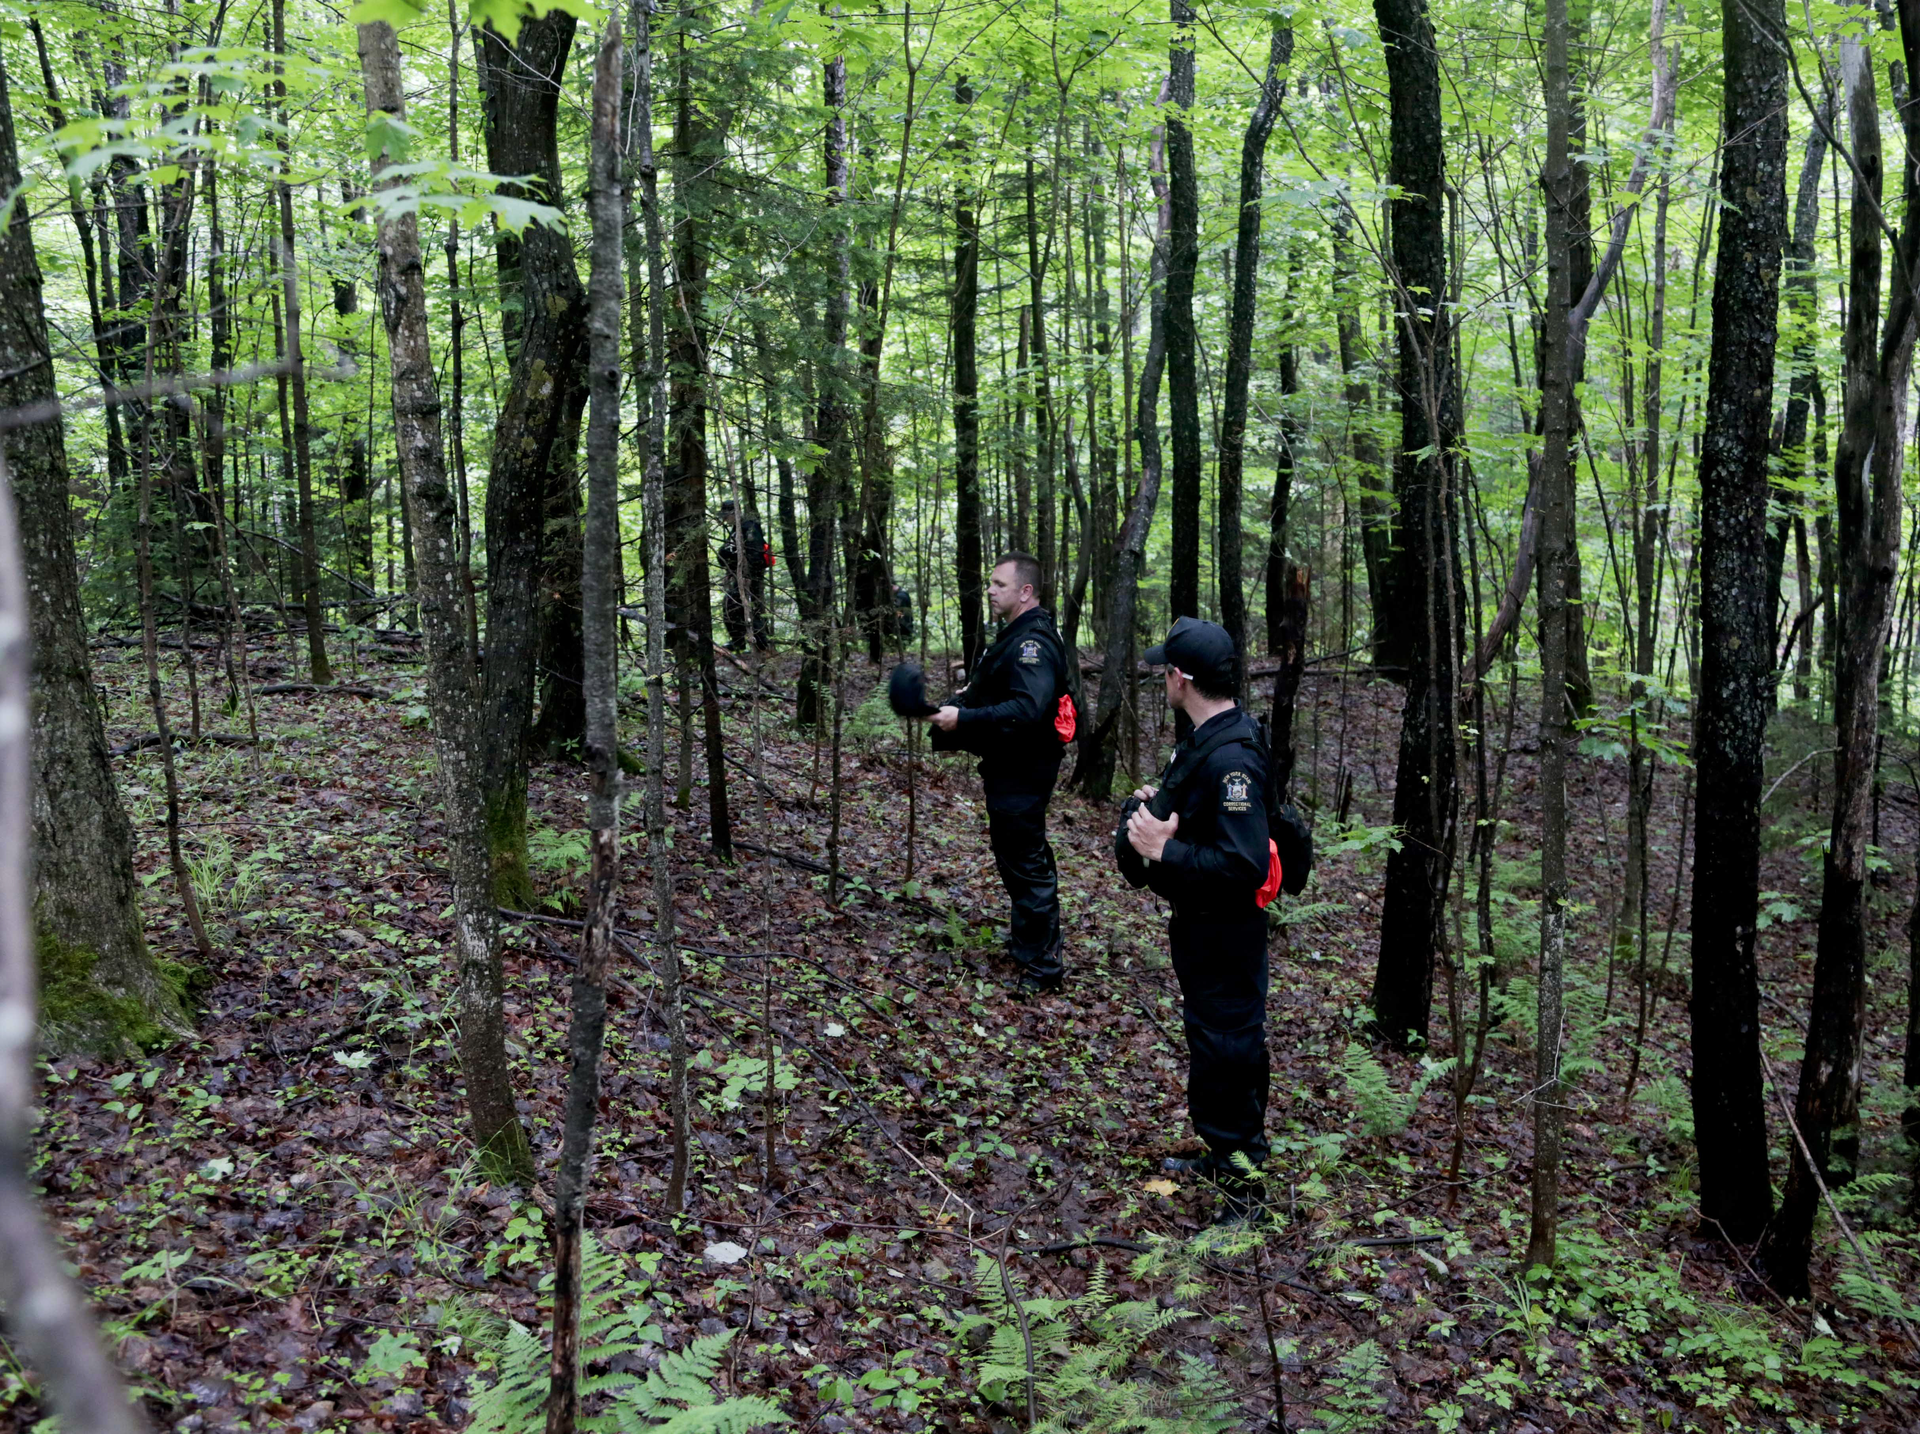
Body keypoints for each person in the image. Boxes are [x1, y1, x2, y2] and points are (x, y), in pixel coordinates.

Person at [1121, 616, 1273, 1220]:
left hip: (1227, 933)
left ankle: (1246, 1198)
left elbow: (1244, 863)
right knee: (1213, 1047)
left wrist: (1165, 850)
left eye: (1165, 670)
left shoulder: (1232, 756)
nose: (1163, 678)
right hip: (1201, 927)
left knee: (1229, 1052)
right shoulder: (1208, 737)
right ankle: (1222, 1154)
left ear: (1180, 678)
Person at [924, 553, 1070, 996]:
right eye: (990, 582)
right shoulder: (1016, 636)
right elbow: (1008, 692)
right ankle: (1030, 943)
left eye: (999, 583)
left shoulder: (1033, 643)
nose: (989, 590)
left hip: (1025, 769)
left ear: (1025, 591)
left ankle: (1044, 968)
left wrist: (965, 721)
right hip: (1012, 766)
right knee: (1018, 856)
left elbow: (1029, 708)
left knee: (1025, 862)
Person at [718, 499, 772, 651]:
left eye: (726, 514)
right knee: (735, 607)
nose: (724, 518)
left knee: (746, 608)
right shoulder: (737, 529)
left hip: (750, 577)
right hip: (739, 576)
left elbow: (755, 554)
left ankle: (761, 647)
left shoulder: (749, 527)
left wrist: (749, 575)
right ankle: (741, 642)